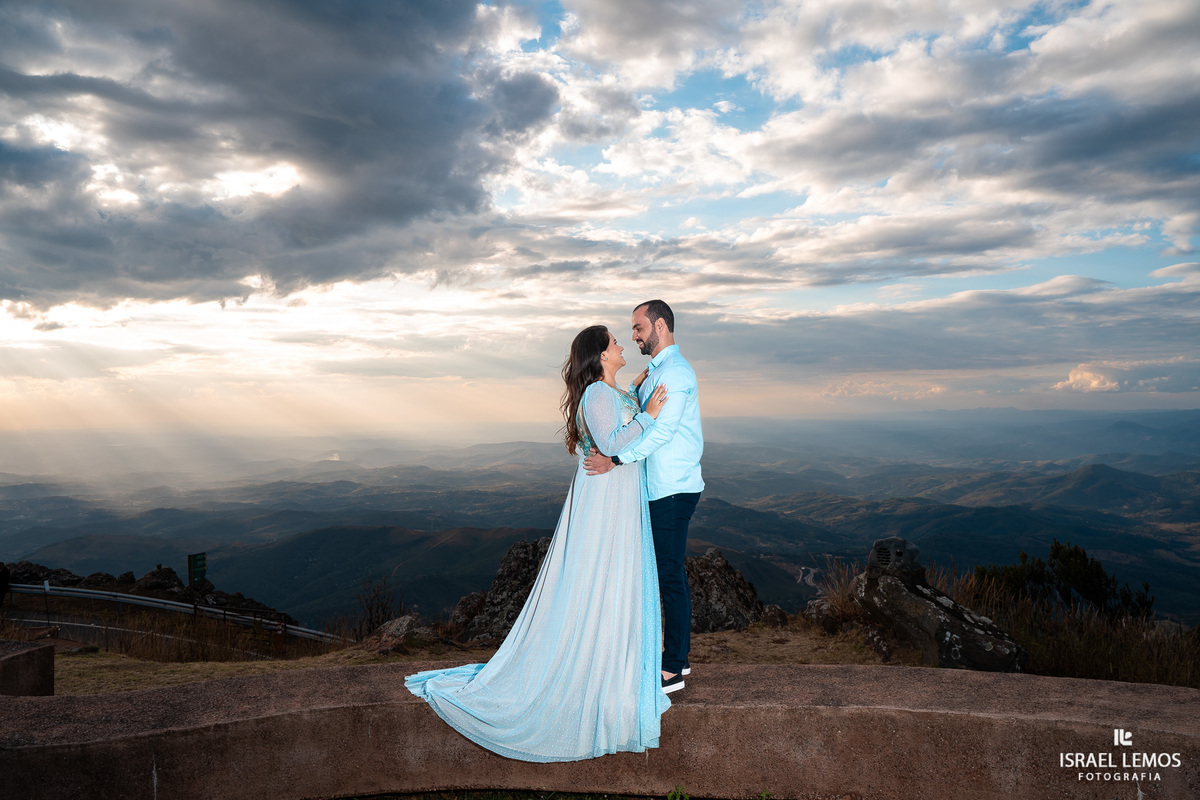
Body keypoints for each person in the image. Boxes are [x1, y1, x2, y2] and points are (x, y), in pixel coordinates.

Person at [406, 325, 672, 762]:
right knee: (600, 578)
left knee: (609, 580)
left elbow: (618, 417)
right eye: (614, 342)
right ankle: (589, 669)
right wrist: (650, 416)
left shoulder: (608, 391)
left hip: (617, 495)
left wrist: (639, 390)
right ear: (601, 355)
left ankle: (605, 665)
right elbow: (611, 443)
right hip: (607, 499)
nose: (622, 345)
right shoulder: (597, 394)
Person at [585, 299, 703, 695]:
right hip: (658, 487)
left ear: (661, 326)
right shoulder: (656, 371)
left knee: (669, 574)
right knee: (664, 573)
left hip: (672, 487)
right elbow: (636, 414)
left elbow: (662, 432)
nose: (633, 335)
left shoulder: (675, 373)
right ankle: (674, 658)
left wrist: (616, 459)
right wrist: (635, 389)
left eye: (638, 327)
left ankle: (673, 668)